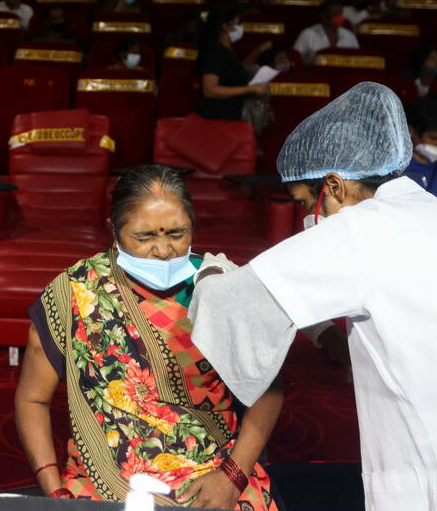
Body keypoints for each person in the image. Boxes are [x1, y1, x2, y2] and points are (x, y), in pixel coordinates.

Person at [188, 81, 437, 510]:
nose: (308, 217)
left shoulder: (360, 230)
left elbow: (229, 305)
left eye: (307, 202)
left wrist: (209, 269)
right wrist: (330, 339)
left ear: (336, 185)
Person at [16, 164, 282, 508]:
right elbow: (32, 400)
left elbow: (268, 391)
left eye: (177, 233)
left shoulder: (221, 287)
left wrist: (232, 476)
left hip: (214, 474)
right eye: (144, 237)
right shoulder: (74, 295)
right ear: (113, 230)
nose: (163, 249)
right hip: (103, 479)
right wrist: (56, 494)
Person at [196, 4, 270, 120]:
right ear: (225, 26)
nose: (240, 27)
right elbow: (209, 90)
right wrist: (249, 89)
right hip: (216, 118)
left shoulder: (227, 50)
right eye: (237, 23)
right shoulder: (215, 52)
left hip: (230, 114)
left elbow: (232, 74)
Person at [293, 0, 360, 65]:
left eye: (340, 13)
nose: (340, 17)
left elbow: (357, 60)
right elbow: (295, 59)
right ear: (324, 16)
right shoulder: (308, 34)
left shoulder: (349, 36)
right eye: (335, 14)